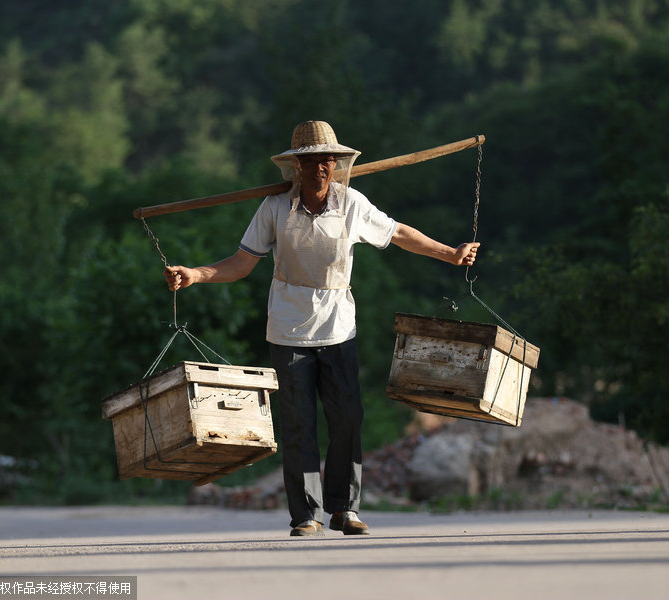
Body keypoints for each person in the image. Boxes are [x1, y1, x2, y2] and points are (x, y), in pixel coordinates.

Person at [165, 121, 479, 537]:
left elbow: (399, 233)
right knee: (298, 424)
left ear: (336, 165)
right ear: (296, 167)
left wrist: (450, 254)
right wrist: (196, 274)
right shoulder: (275, 209)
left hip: (338, 326)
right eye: (311, 161)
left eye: (327, 160)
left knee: (347, 417)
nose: (320, 169)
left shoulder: (351, 204)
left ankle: (344, 509)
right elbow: (240, 263)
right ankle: (305, 515)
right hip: (288, 329)